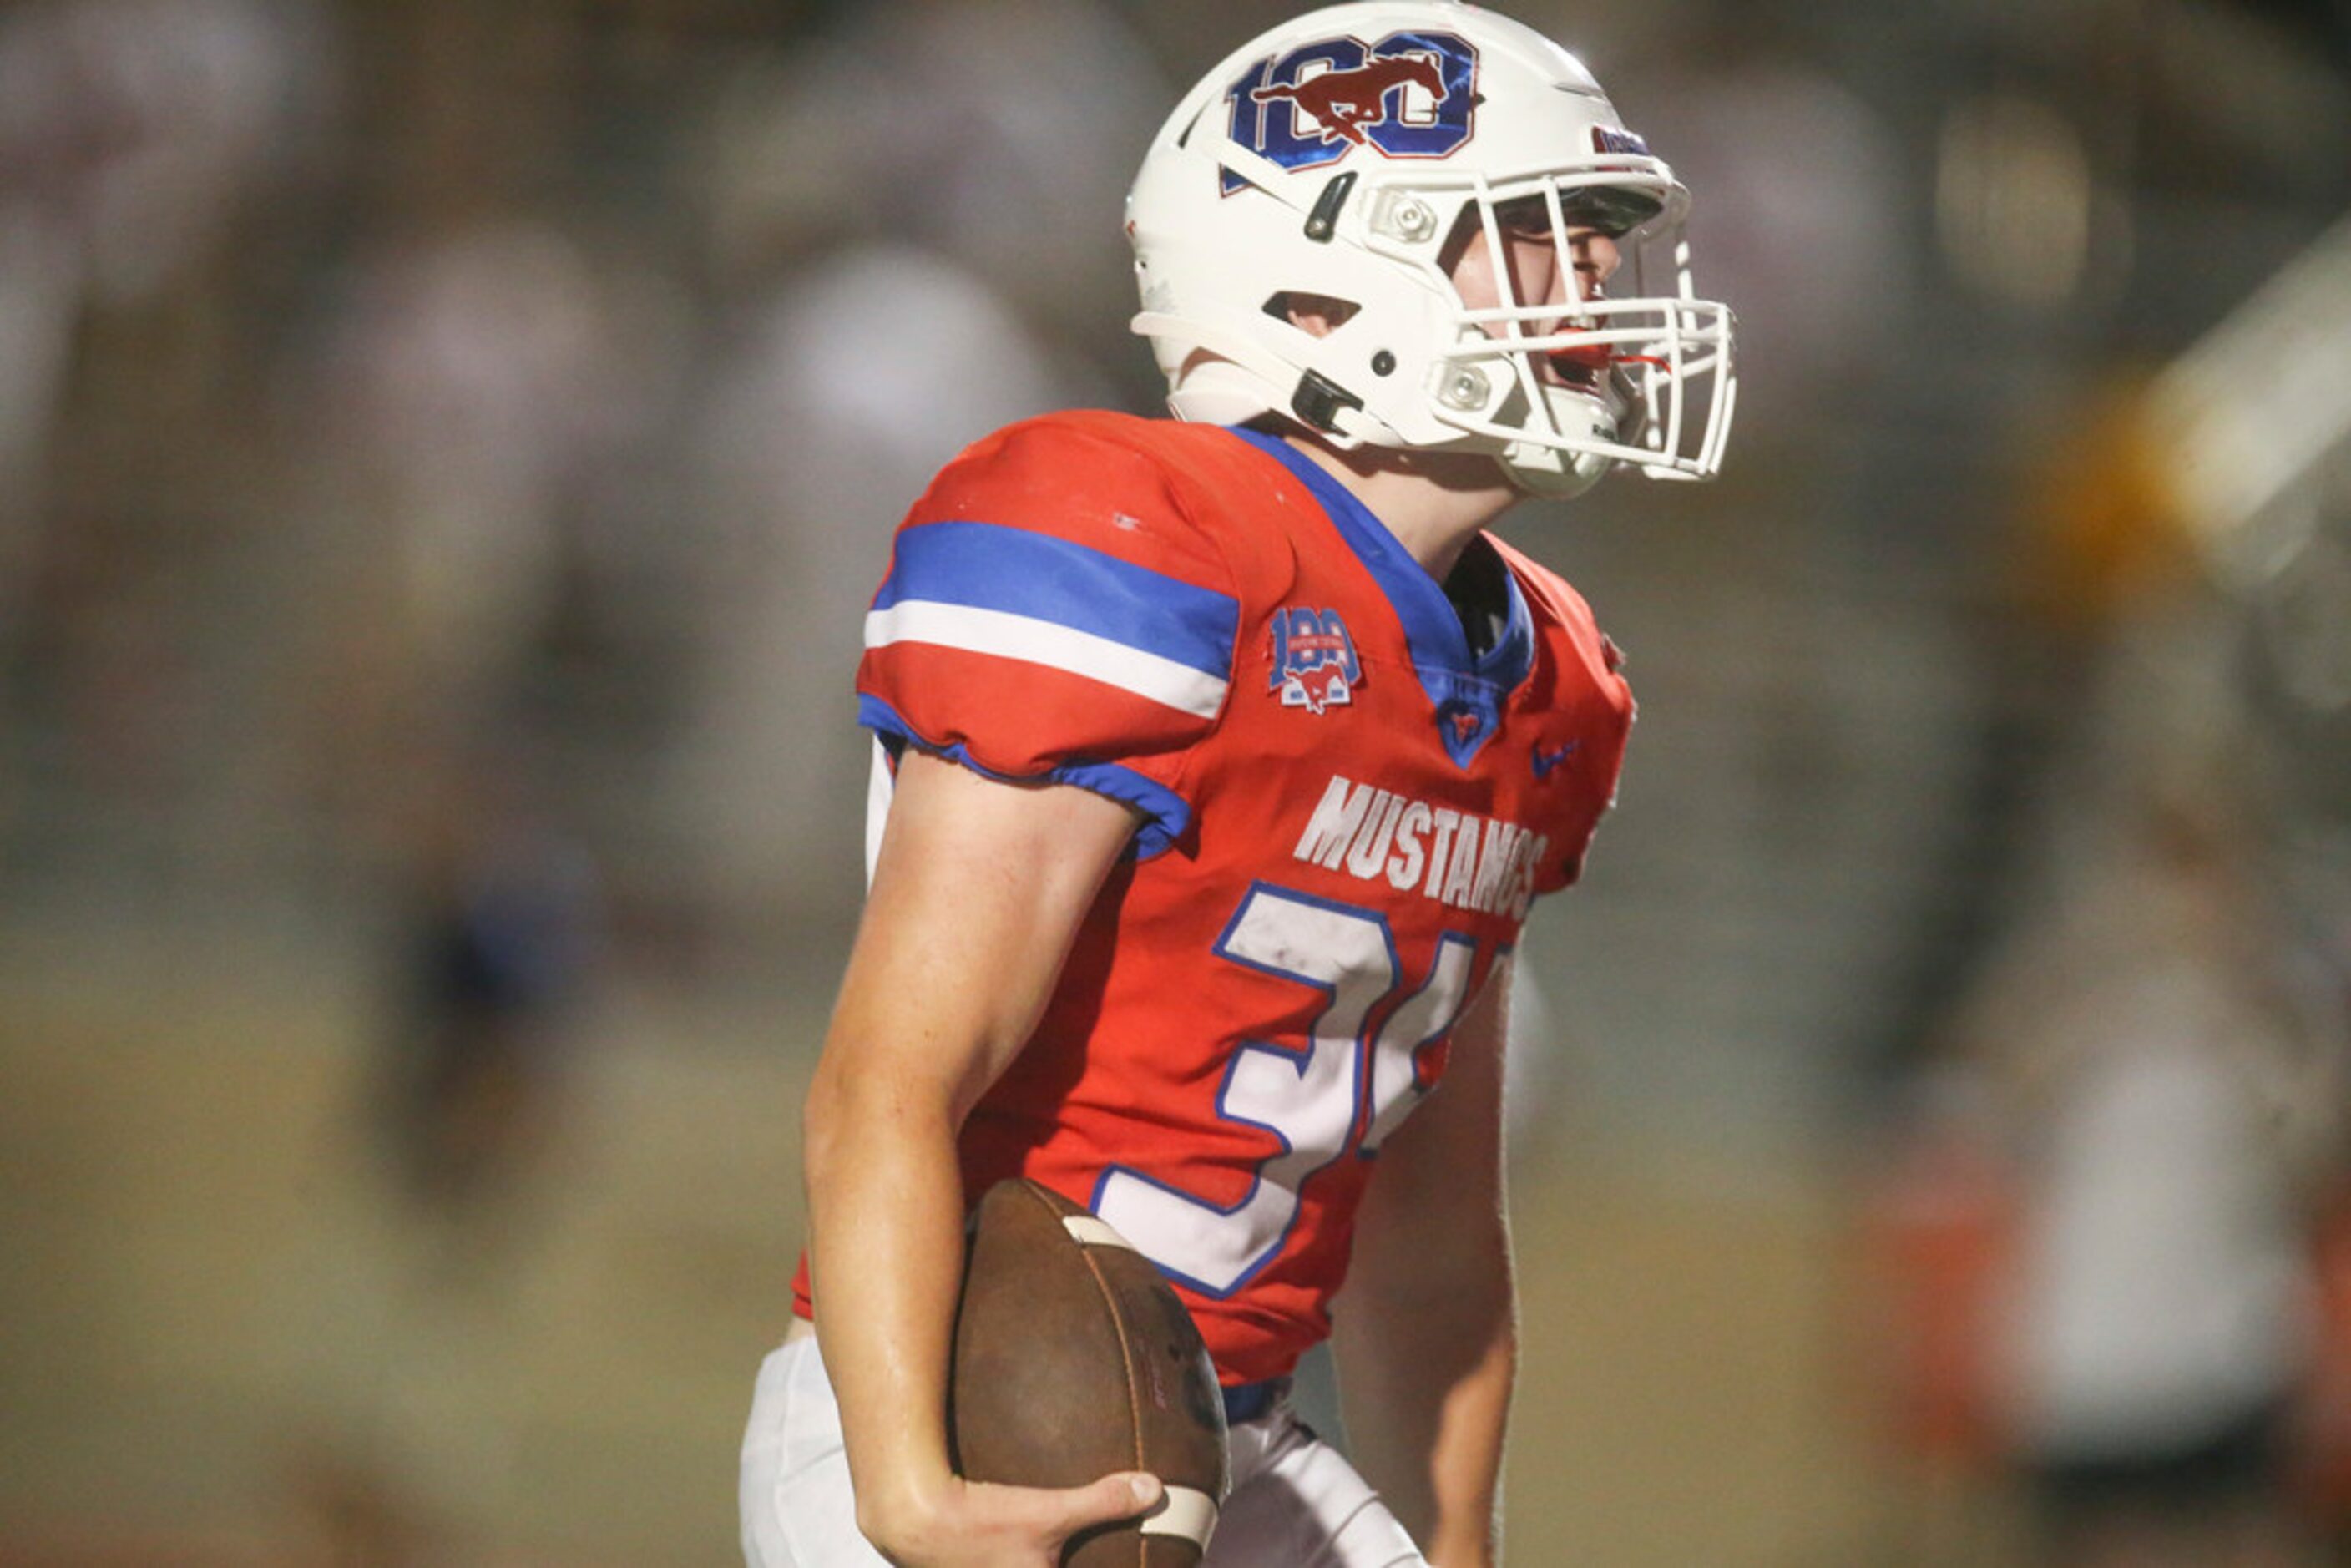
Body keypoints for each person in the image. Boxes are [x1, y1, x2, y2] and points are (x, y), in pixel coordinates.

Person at [738, 3, 1736, 1564]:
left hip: (1240, 1423)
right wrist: (906, 1494)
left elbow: (1429, 1236)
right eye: (1543, 232)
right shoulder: (1131, 543)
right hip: (966, 1408)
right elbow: (887, 1082)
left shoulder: (1545, 676)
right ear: (1330, 280)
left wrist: (1455, 1543)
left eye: (1602, 233)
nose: (1599, 276)